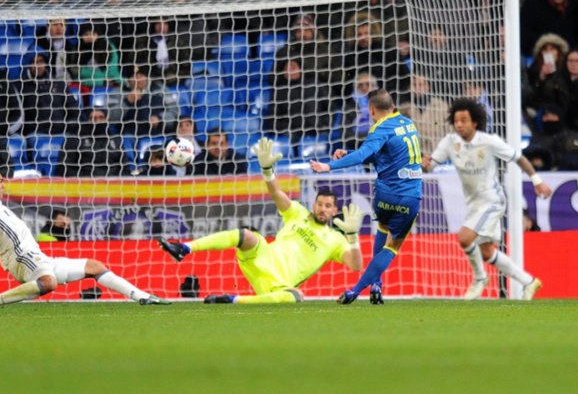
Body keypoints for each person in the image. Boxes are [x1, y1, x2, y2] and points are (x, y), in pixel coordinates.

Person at [158, 136, 362, 304]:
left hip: (277, 284)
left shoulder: (336, 240)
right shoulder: (298, 213)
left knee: (295, 296)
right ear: (314, 204)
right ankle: (184, 248)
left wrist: (352, 237)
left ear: (334, 211)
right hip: (261, 258)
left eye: (327, 206)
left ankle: (233, 300)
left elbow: (356, 265)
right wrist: (267, 171)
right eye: (320, 204)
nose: (322, 209)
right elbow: (276, 193)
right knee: (247, 235)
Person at [0, 163, 168, 307]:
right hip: (21, 257)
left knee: (94, 266)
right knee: (49, 283)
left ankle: (141, 296)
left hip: (38, 256)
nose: (4, 185)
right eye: (1, 181)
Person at [422, 98, 550, 300]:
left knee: (464, 238)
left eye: (464, 120)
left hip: (492, 201)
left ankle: (480, 278)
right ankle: (529, 281)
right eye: (456, 121)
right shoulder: (449, 143)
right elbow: (430, 166)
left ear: (475, 122)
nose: (459, 125)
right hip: (473, 204)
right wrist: (424, 161)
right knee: (487, 253)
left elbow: (519, 158)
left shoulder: (489, 142)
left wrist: (537, 181)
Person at [310, 88, 420, 305]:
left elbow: (364, 155)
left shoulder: (379, 128)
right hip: (410, 195)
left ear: (371, 109)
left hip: (387, 194)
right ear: (392, 105)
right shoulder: (408, 123)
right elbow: (383, 156)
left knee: (382, 229)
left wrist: (328, 166)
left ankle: (372, 285)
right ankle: (357, 290)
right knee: (392, 246)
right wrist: (350, 154)